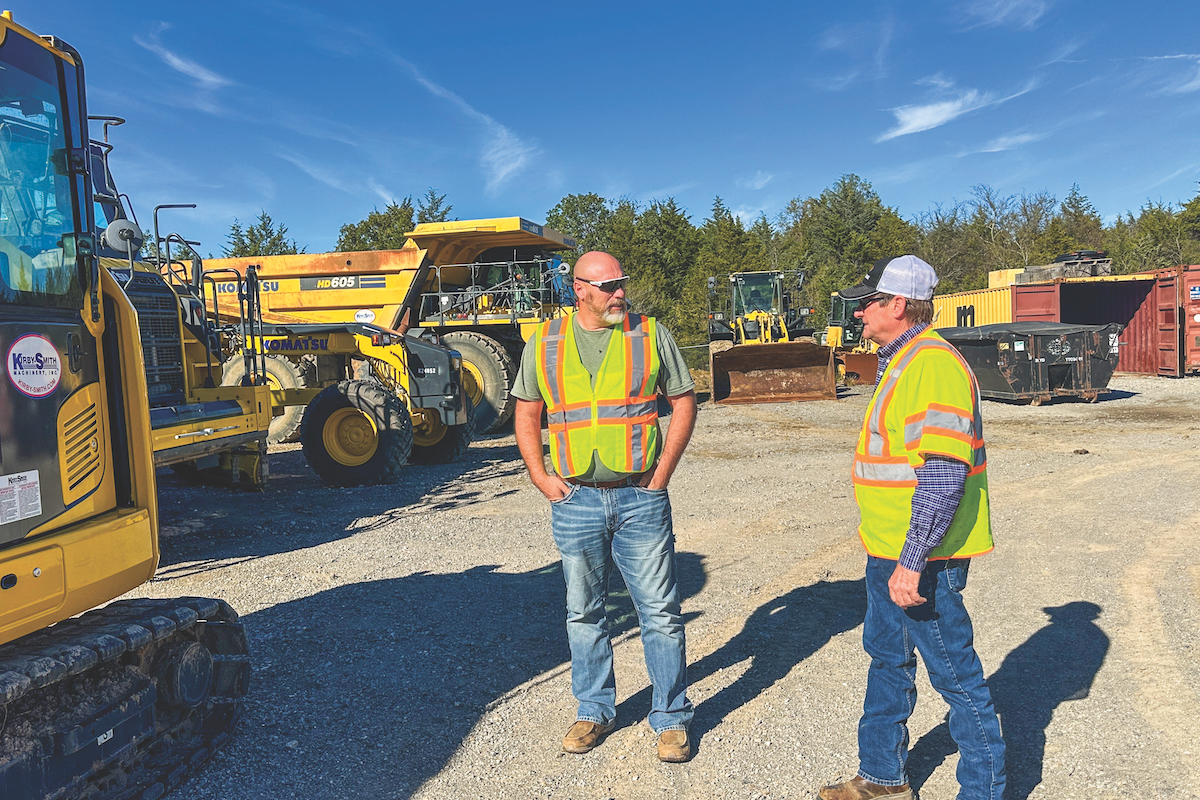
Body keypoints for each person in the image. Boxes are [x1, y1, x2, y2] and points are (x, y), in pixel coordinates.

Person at [818, 255, 1006, 800]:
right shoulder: (901, 359)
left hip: (923, 559)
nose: (858, 314)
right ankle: (882, 777)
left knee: (957, 679)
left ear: (898, 304)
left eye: (867, 303)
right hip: (889, 552)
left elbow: (944, 475)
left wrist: (912, 560)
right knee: (887, 660)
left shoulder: (932, 364)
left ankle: (983, 791)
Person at [512, 250, 698, 763]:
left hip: (641, 494)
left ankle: (671, 717)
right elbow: (527, 411)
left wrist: (661, 476)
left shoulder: (650, 333)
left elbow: (684, 400)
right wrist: (541, 477)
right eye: (609, 285)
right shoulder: (545, 341)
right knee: (584, 612)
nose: (620, 293)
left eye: (623, 283)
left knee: (660, 611)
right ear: (581, 290)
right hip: (575, 500)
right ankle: (594, 710)